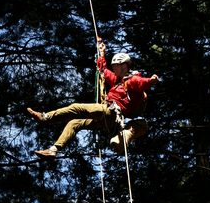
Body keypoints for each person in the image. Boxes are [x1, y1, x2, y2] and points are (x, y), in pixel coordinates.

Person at [27, 41, 159, 157]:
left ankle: (45, 118)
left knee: (76, 108)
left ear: (124, 65)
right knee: (74, 123)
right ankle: (54, 149)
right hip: (106, 120)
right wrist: (102, 53)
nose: (113, 68)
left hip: (112, 112)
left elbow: (141, 82)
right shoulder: (117, 80)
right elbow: (103, 70)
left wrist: (151, 81)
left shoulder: (131, 80)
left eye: (116, 66)